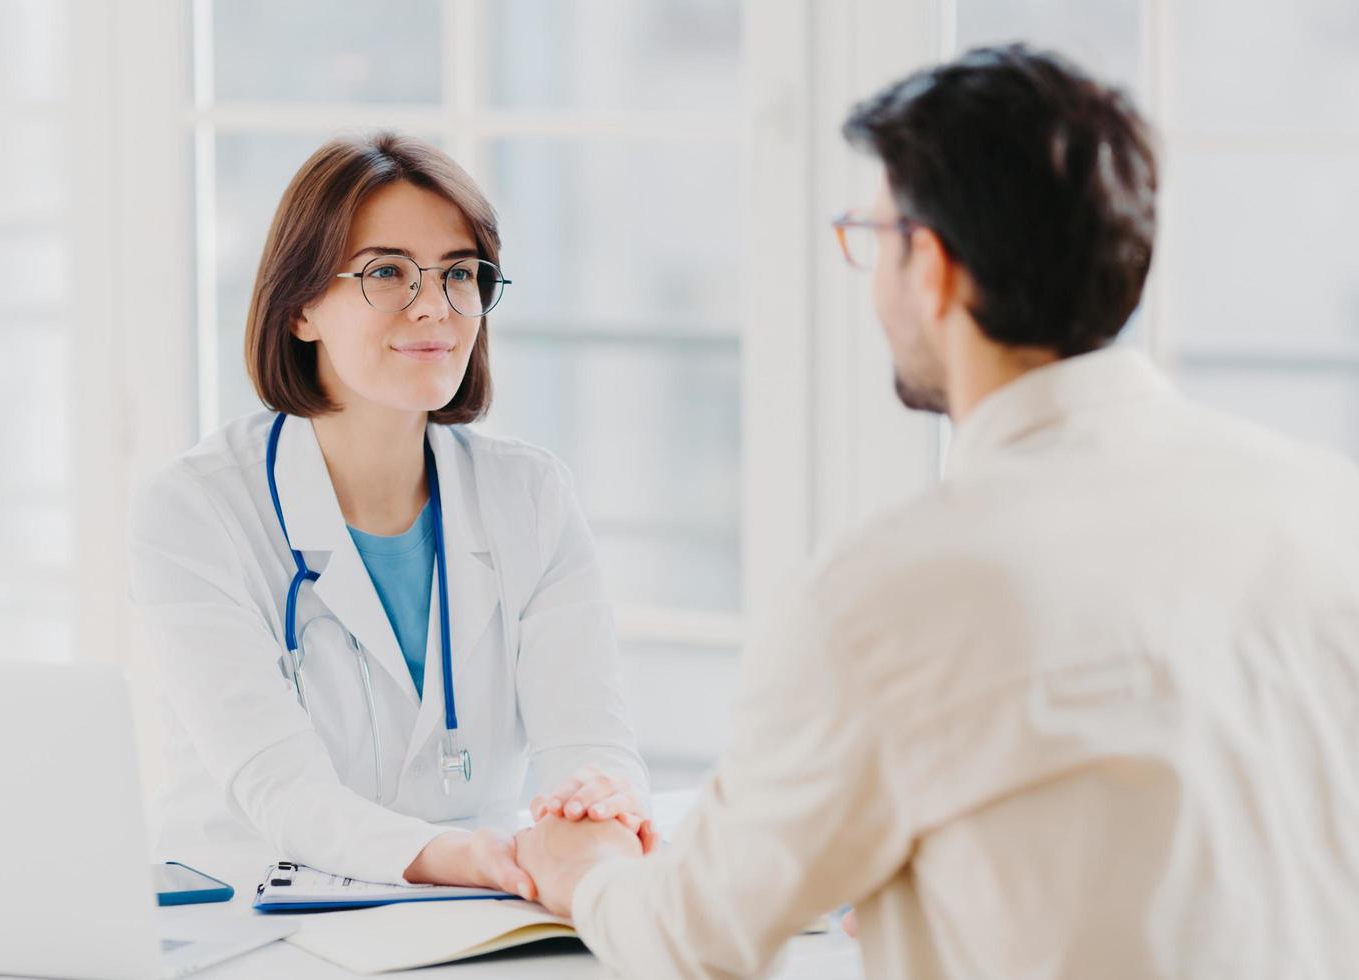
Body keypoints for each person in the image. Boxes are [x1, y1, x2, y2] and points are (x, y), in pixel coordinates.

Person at [514, 44, 1359, 978]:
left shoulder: (892, 588)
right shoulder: (1326, 505)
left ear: (934, 268)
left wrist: (585, 872)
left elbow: (694, 938)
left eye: (873, 240)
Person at [128, 133, 651, 897]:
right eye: (387, 273)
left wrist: (597, 808)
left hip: (469, 914)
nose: (435, 306)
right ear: (301, 306)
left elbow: (590, 741)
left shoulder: (530, 496)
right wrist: (472, 857)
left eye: (460, 274)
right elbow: (282, 789)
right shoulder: (196, 510)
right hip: (252, 920)